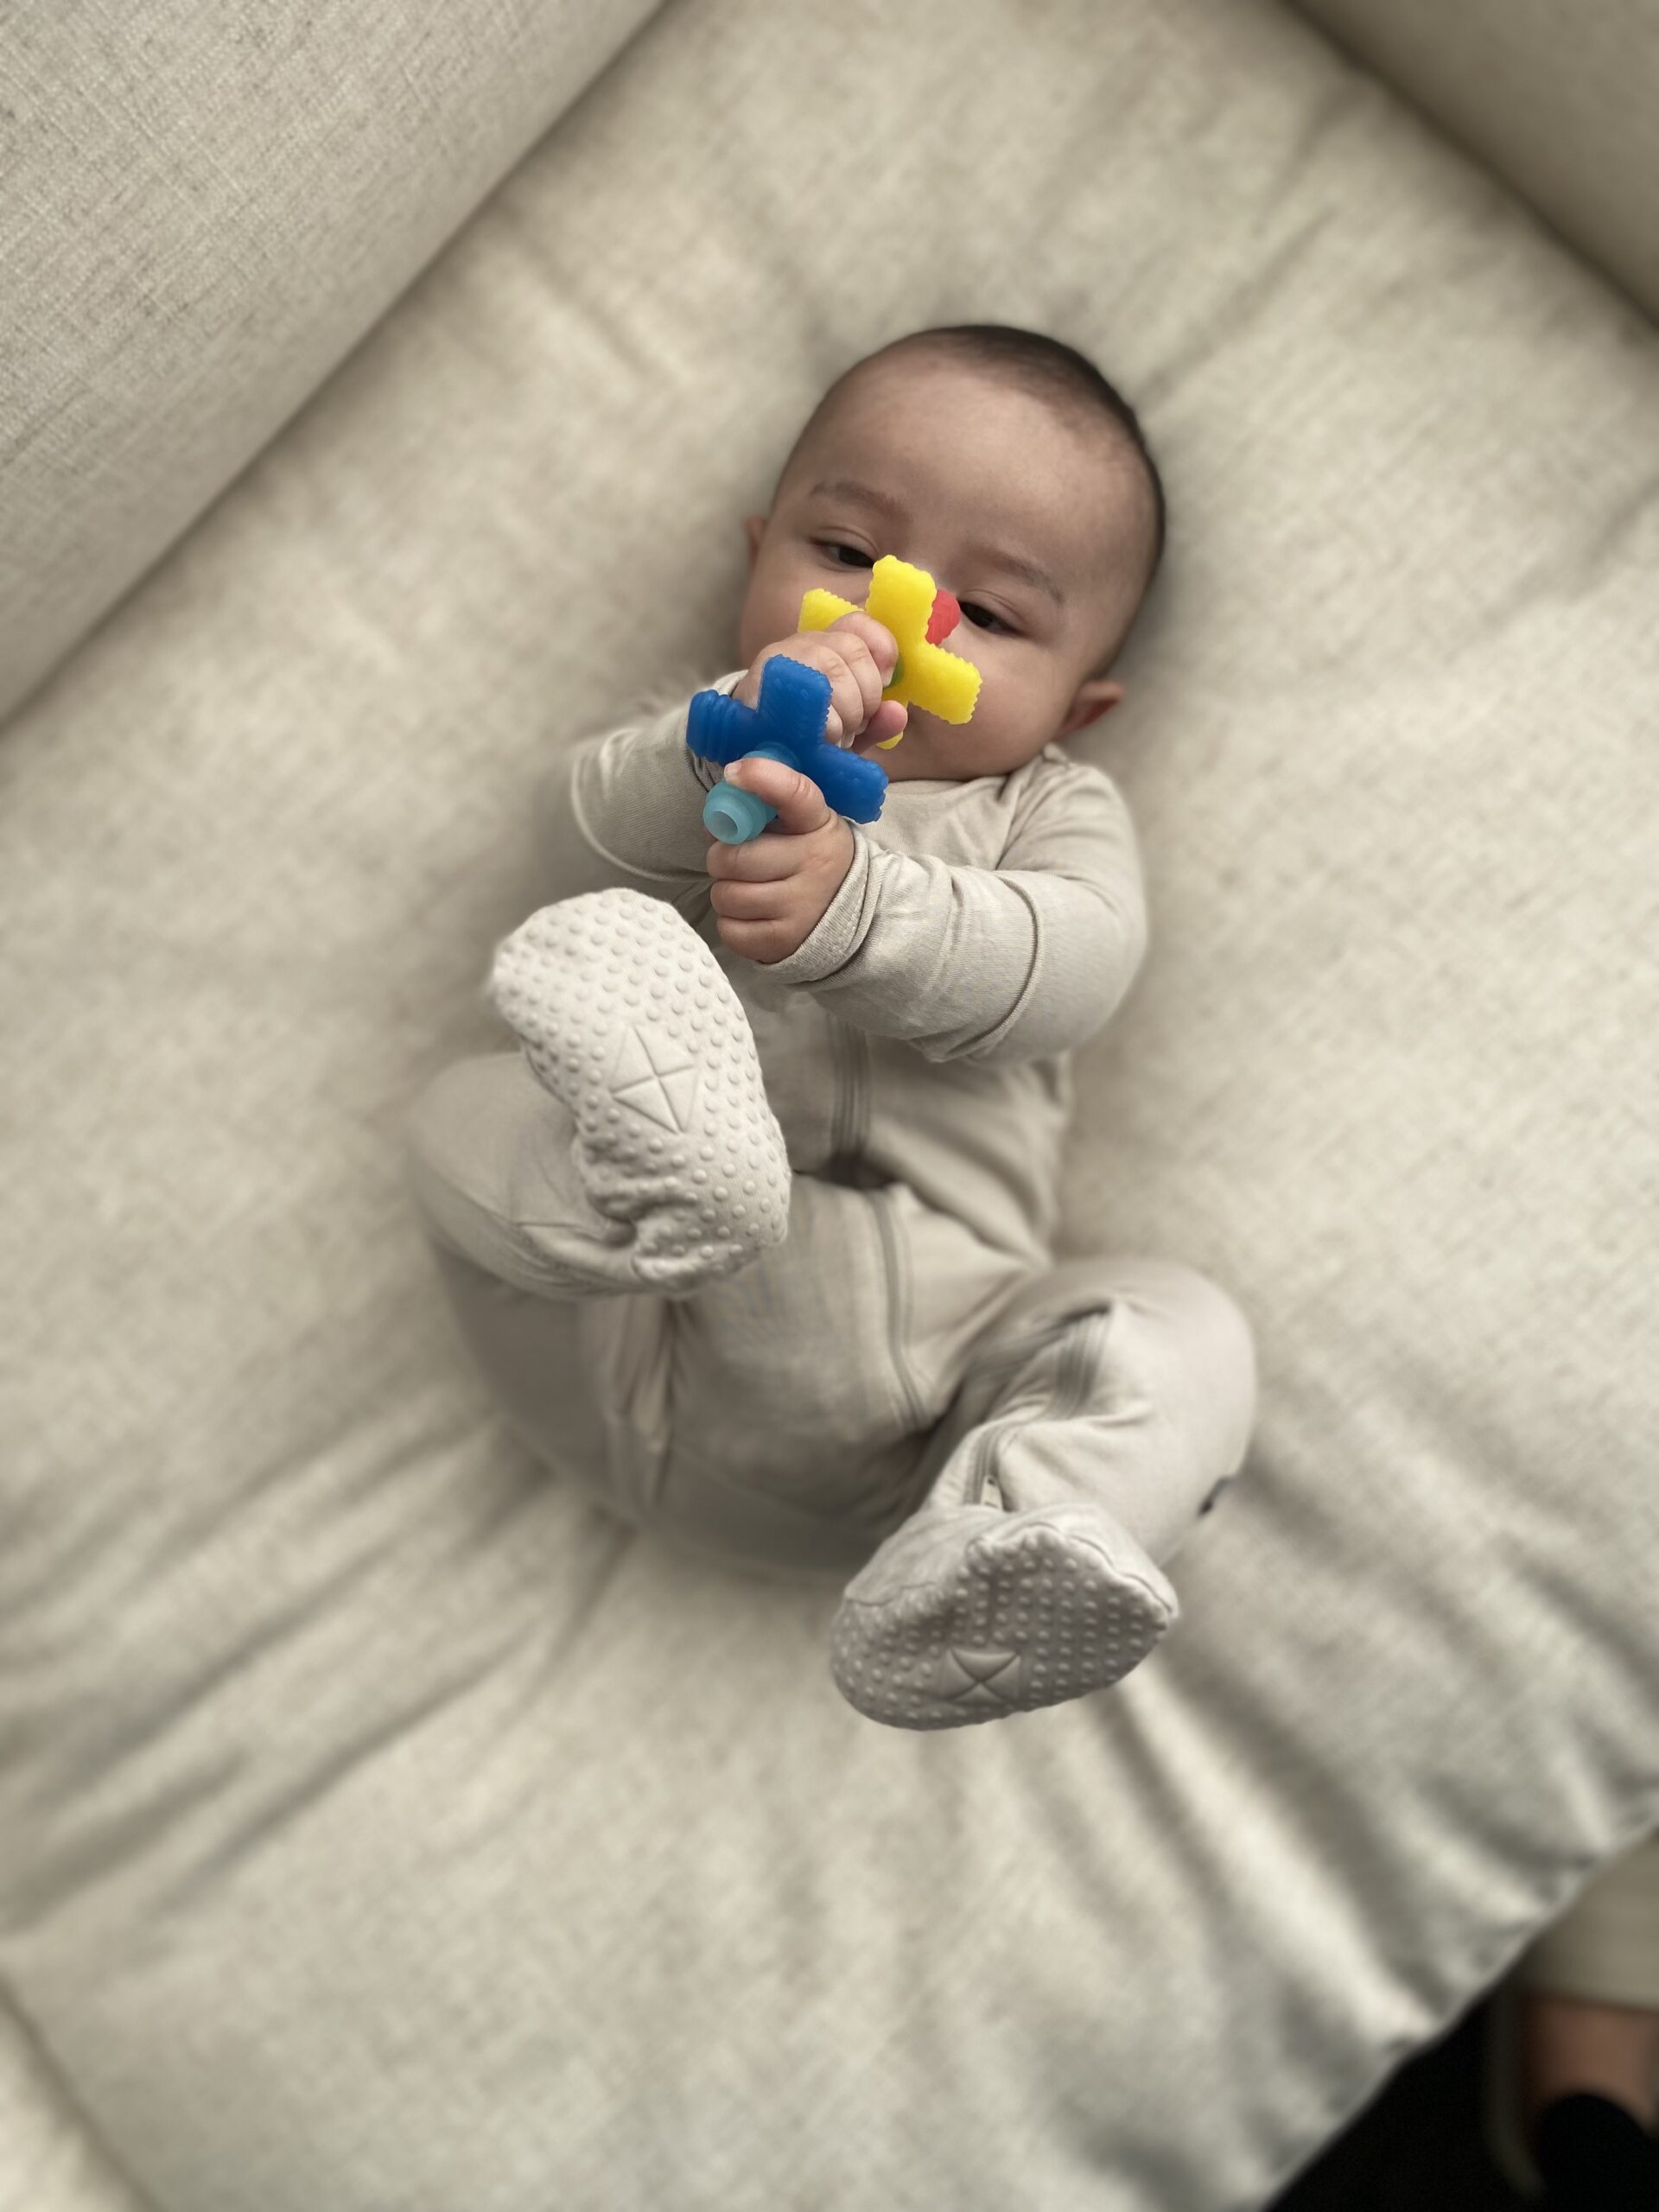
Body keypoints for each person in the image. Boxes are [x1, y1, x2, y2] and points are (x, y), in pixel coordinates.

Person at [402, 322, 1258, 1730]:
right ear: (759, 558)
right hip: (630, 1320)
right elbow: (552, 851)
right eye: (851, 557)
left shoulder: (1044, 811)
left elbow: (1076, 968)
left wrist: (864, 914)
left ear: (1080, 707)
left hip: (931, 1408)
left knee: (1186, 1331)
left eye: (987, 616)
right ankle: (667, 1173)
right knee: (462, 1113)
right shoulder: (696, 747)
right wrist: (698, 758)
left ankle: (1010, 1541)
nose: (901, 624)